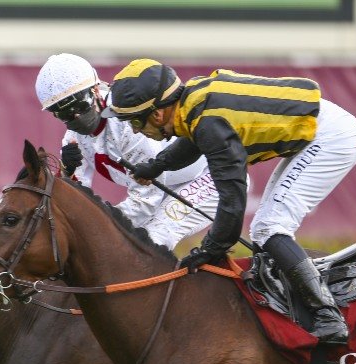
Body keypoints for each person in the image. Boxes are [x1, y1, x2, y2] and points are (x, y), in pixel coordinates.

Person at [101, 59, 356, 345]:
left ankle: (329, 317)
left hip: (329, 137)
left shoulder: (210, 125)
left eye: (135, 121)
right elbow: (191, 142)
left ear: (158, 113)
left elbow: (232, 202)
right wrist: (156, 166)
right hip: (321, 127)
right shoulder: (192, 103)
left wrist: (210, 248)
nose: (135, 131)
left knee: (269, 228)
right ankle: (291, 296)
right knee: (264, 229)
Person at [35, 53, 229, 251]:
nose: (76, 116)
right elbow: (73, 203)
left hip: (209, 176)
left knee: (153, 239)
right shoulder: (73, 139)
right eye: (64, 113)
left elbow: (145, 201)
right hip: (161, 188)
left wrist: (96, 227)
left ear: (95, 89)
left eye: (80, 105)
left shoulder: (126, 124)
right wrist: (66, 172)